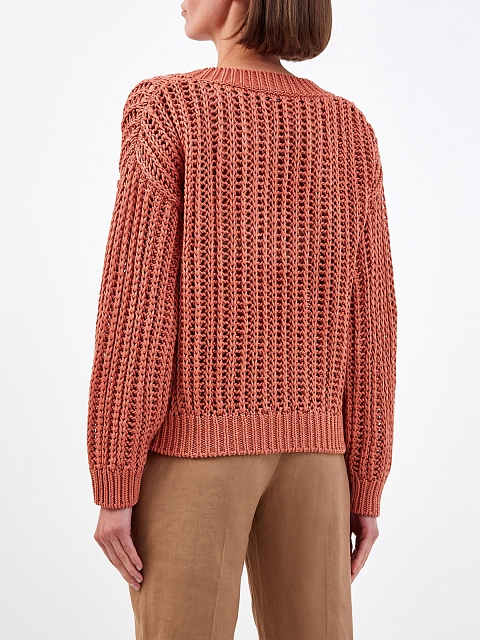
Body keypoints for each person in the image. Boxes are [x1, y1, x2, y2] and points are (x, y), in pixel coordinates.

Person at [86, 0, 398, 637]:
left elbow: (137, 304)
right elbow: (373, 319)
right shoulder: (348, 128)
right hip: (319, 459)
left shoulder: (167, 109)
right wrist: (365, 483)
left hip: (195, 450)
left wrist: (114, 479)